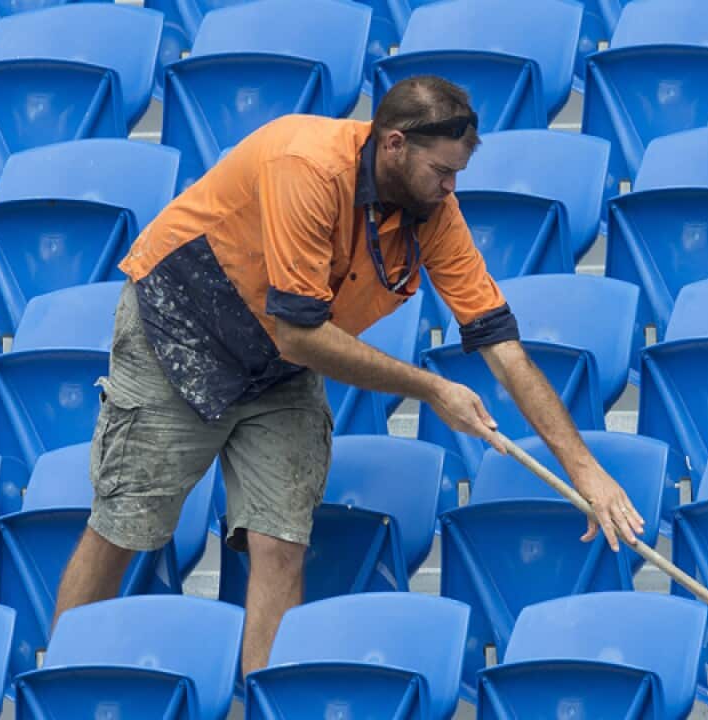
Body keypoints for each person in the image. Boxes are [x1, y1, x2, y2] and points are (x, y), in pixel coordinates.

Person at [52, 75, 645, 676]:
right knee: (125, 526)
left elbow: (502, 347)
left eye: (457, 173)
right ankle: (59, 690)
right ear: (393, 145)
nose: (451, 187)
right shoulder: (305, 164)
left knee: (282, 540)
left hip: (279, 361)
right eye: (442, 170)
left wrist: (585, 471)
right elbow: (302, 331)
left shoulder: (435, 212)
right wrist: (432, 387)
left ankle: (266, 702)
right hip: (181, 328)